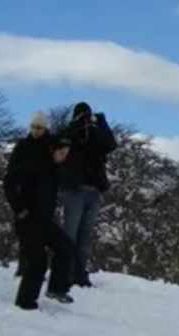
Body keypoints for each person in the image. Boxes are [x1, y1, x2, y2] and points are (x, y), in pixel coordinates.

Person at [4, 134, 76, 309]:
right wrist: (19, 209)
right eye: (62, 153)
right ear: (52, 150)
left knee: (65, 247)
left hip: (44, 221)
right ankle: (25, 303)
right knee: (38, 262)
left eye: (66, 154)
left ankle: (56, 288)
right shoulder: (34, 165)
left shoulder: (55, 169)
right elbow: (9, 183)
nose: (64, 157)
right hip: (28, 221)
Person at [60, 102, 116, 288]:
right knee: (70, 235)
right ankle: (65, 273)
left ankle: (79, 274)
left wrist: (101, 122)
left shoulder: (95, 134)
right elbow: (62, 139)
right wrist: (78, 123)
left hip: (93, 190)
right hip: (74, 190)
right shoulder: (71, 132)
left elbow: (110, 144)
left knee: (84, 237)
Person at [12, 111, 52, 278]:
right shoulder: (22, 145)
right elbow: (12, 171)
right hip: (24, 196)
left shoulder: (50, 146)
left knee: (41, 236)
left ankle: (37, 269)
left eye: (39, 128)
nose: (35, 130)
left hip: (44, 198)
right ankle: (23, 268)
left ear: (45, 128)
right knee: (25, 235)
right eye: (33, 127)